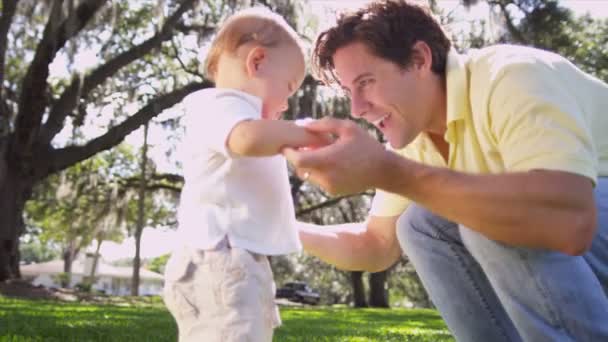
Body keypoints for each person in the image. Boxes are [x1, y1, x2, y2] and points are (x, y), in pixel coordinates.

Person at [286, 1, 608, 341]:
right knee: (420, 225)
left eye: (366, 82)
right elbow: (376, 245)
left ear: (420, 59)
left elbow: (569, 220)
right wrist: (273, 228)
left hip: (585, 210)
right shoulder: (413, 137)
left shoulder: (511, 77)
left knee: (486, 214)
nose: (357, 108)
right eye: (350, 91)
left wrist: (390, 172)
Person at [162, 8, 327, 342]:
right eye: (288, 88)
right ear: (258, 62)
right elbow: (247, 139)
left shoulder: (238, 114)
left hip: (230, 258)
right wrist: (313, 134)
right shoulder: (221, 105)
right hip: (221, 259)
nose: (286, 105)